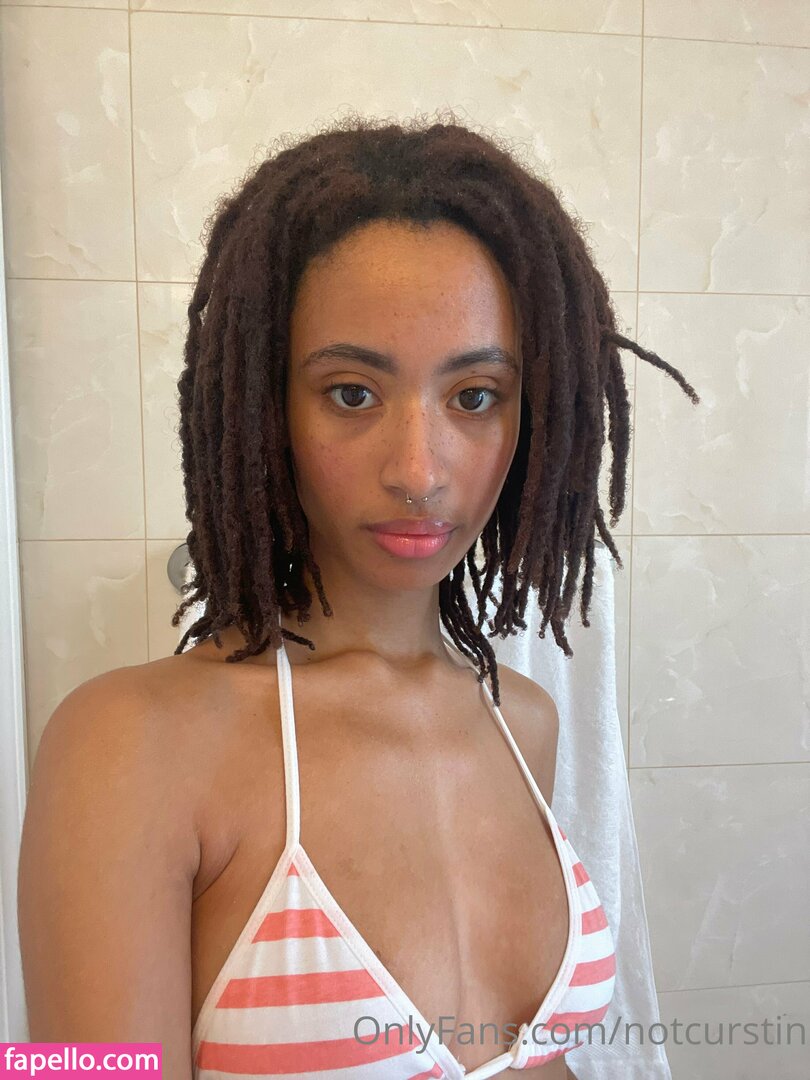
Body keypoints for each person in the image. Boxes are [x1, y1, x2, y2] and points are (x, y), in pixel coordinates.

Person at [17, 113, 699, 1079]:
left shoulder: (522, 723)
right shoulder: (126, 747)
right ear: (264, 406)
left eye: (474, 397)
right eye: (351, 393)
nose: (419, 471)